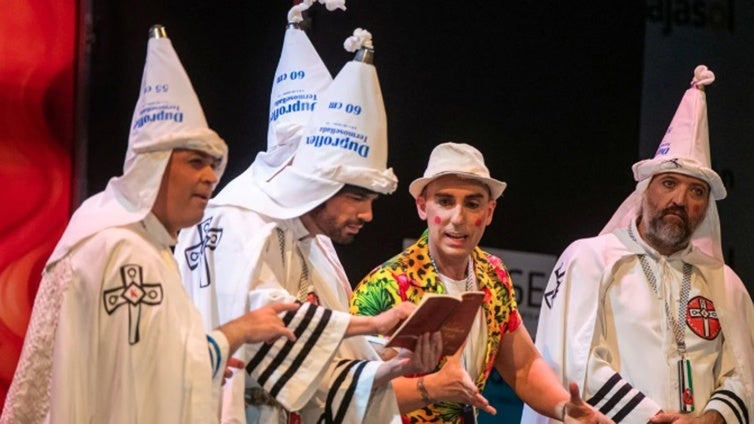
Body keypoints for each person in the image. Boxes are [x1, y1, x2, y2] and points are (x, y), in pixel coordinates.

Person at [0, 25, 300, 424]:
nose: (211, 177)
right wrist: (235, 333)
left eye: (213, 165)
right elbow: (138, 388)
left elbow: (129, 361)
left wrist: (205, 356)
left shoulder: (114, 235)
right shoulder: (127, 253)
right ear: (151, 169)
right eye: (195, 163)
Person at [176, 28, 441, 424]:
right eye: (358, 198)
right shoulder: (236, 222)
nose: (368, 216)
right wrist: (373, 323)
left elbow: (321, 378)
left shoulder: (315, 244)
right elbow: (265, 322)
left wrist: (396, 365)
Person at [521, 65, 754, 424]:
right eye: (669, 183)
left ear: (706, 208)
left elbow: (743, 372)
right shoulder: (589, 260)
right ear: (645, 191)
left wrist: (711, 418)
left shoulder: (727, 285)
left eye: (696, 191)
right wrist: (649, 418)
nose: (679, 199)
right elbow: (570, 359)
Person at [350, 142, 612, 423]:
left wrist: (564, 408)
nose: (458, 218)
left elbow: (522, 367)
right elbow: (352, 392)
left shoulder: (492, 274)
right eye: (446, 202)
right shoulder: (385, 285)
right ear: (422, 206)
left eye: (472, 204)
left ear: (488, 212)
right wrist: (431, 388)